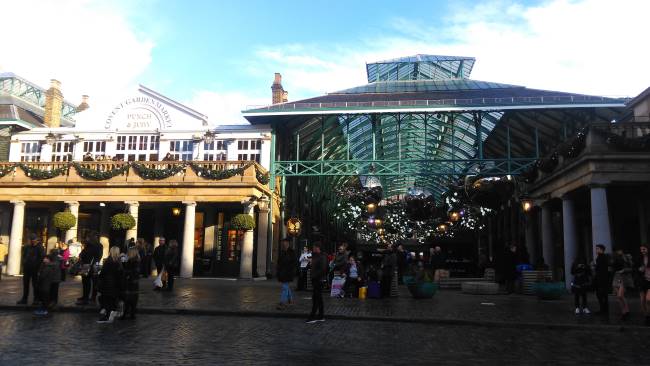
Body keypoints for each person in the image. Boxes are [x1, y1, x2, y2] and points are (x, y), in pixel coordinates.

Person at [97, 246, 124, 323]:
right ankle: (109, 315)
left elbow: (102, 274)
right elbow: (120, 275)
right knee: (112, 301)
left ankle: (107, 316)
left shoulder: (108, 261)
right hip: (114, 285)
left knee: (107, 301)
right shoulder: (118, 262)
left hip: (107, 284)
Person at [17, 234, 45, 305]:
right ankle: (24, 299)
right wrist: (24, 263)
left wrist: (38, 267)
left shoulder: (40, 247)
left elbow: (41, 258)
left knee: (35, 284)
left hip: (35, 269)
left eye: (33, 240)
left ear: (36, 240)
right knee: (25, 284)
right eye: (31, 240)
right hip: (27, 268)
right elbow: (24, 255)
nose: (32, 241)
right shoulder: (27, 247)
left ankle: (36, 299)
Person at [75, 238, 102, 305]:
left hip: (92, 265)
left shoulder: (97, 245)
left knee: (92, 282)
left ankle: (91, 298)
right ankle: (85, 296)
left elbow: (98, 256)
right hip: (87, 265)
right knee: (85, 281)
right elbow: (83, 253)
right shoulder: (89, 245)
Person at [306, 242, 327, 324]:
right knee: (319, 298)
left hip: (319, 280)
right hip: (316, 279)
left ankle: (312, 316)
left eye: (314, 247)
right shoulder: (316, 256)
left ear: (318, 248)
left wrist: (315, 276)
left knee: (316, 298)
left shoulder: (322, 256)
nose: (313, 249)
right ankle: (321, 315)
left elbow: (323, 269)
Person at [611, 248, 634, 320]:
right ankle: (625, 311)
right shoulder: (614, 258)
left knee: (620, 295)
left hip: (624, 277)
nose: (618, 251)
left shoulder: (626, 257)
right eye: (617, 250)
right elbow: (612, 267)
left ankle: (626, 311)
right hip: (616, 276)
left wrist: (624, 270)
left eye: (620, 250)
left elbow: (631, 267)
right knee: (619, 297)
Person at [276, 238, 297, 310]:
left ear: (288, 243)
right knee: (286, 287)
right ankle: (290, 300)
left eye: (285, 243)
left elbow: (293, 263)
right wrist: (278, 270)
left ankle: (282, 303)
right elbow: (279, 262)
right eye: (283, 243)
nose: (283, 244)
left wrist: (291, 271)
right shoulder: (282, 252)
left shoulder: (292, 252)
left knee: (284, 287)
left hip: (288, 273)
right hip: (282, 272)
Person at [121, 247, 140, 320]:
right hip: (130, 282)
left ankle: (131, 314)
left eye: (128, 252)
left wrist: (127, 273)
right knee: (128, 299)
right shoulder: (130, 261)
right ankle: (127, 314)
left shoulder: (135, 261)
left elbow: (134, 272)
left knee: (131, 299)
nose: (127, 254)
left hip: (132, 283)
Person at [594, 244, 611, 317]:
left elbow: (601, 269)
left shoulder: (601, 257)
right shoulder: (602, 257)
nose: (596, 250)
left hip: (601, 279)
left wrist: (595, 266)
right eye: (596, 248)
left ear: (601, 250)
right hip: (602, 279)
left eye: (597, 249)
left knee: (601, 295)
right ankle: (604, 310)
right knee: (602, 295)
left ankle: (603, 310)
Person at [635, 244, 650, 326]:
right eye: (641, 250)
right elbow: (636, 269)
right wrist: (639, 269)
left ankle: (648, 316)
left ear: (647, 249)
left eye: (644, 249)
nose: (642, 251)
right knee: (642, 301)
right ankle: (646, 317)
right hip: (642, 281)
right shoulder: (639, 258)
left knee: (648, 299)